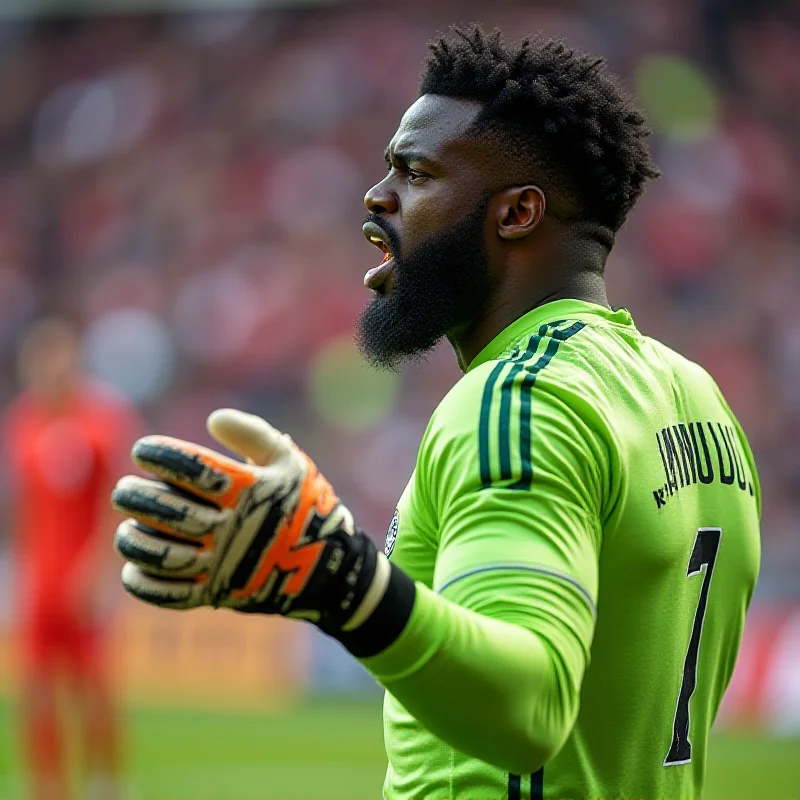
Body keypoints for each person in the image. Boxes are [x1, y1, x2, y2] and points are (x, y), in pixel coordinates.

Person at [110, 26, 761, 800]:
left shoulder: (521, 399)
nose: (377, 196)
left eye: (414, 173)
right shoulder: (695, 396)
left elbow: (529, 709)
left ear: (517, 213)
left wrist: (341, 584)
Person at [3, 318, 137, 800]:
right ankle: (48, 786)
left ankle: (105, 781)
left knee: (93, 687)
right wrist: (19, 570)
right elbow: (23, 506)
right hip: (40, 577)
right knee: (35, 689)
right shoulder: (24, 422)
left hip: (82, 579)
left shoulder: (100, 423)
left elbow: (112, 500)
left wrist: (100, 568)